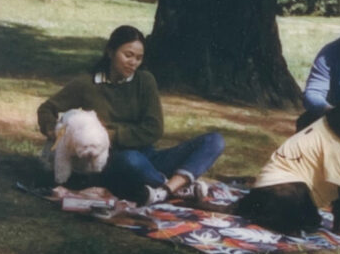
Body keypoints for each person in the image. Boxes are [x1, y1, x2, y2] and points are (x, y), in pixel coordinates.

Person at [37, 25, 225, 206]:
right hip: (112, 161)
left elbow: (153, 129)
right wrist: (56, 132)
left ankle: (165, 189)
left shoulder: (145, 81)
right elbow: (47, 108)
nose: (133, 62)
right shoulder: (86, 84)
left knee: (214, 140)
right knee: (130, 160)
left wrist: (108, 134)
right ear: (110, 52)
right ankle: (179, 187)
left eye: (138, 58)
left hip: (148, 156)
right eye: (128, 55)